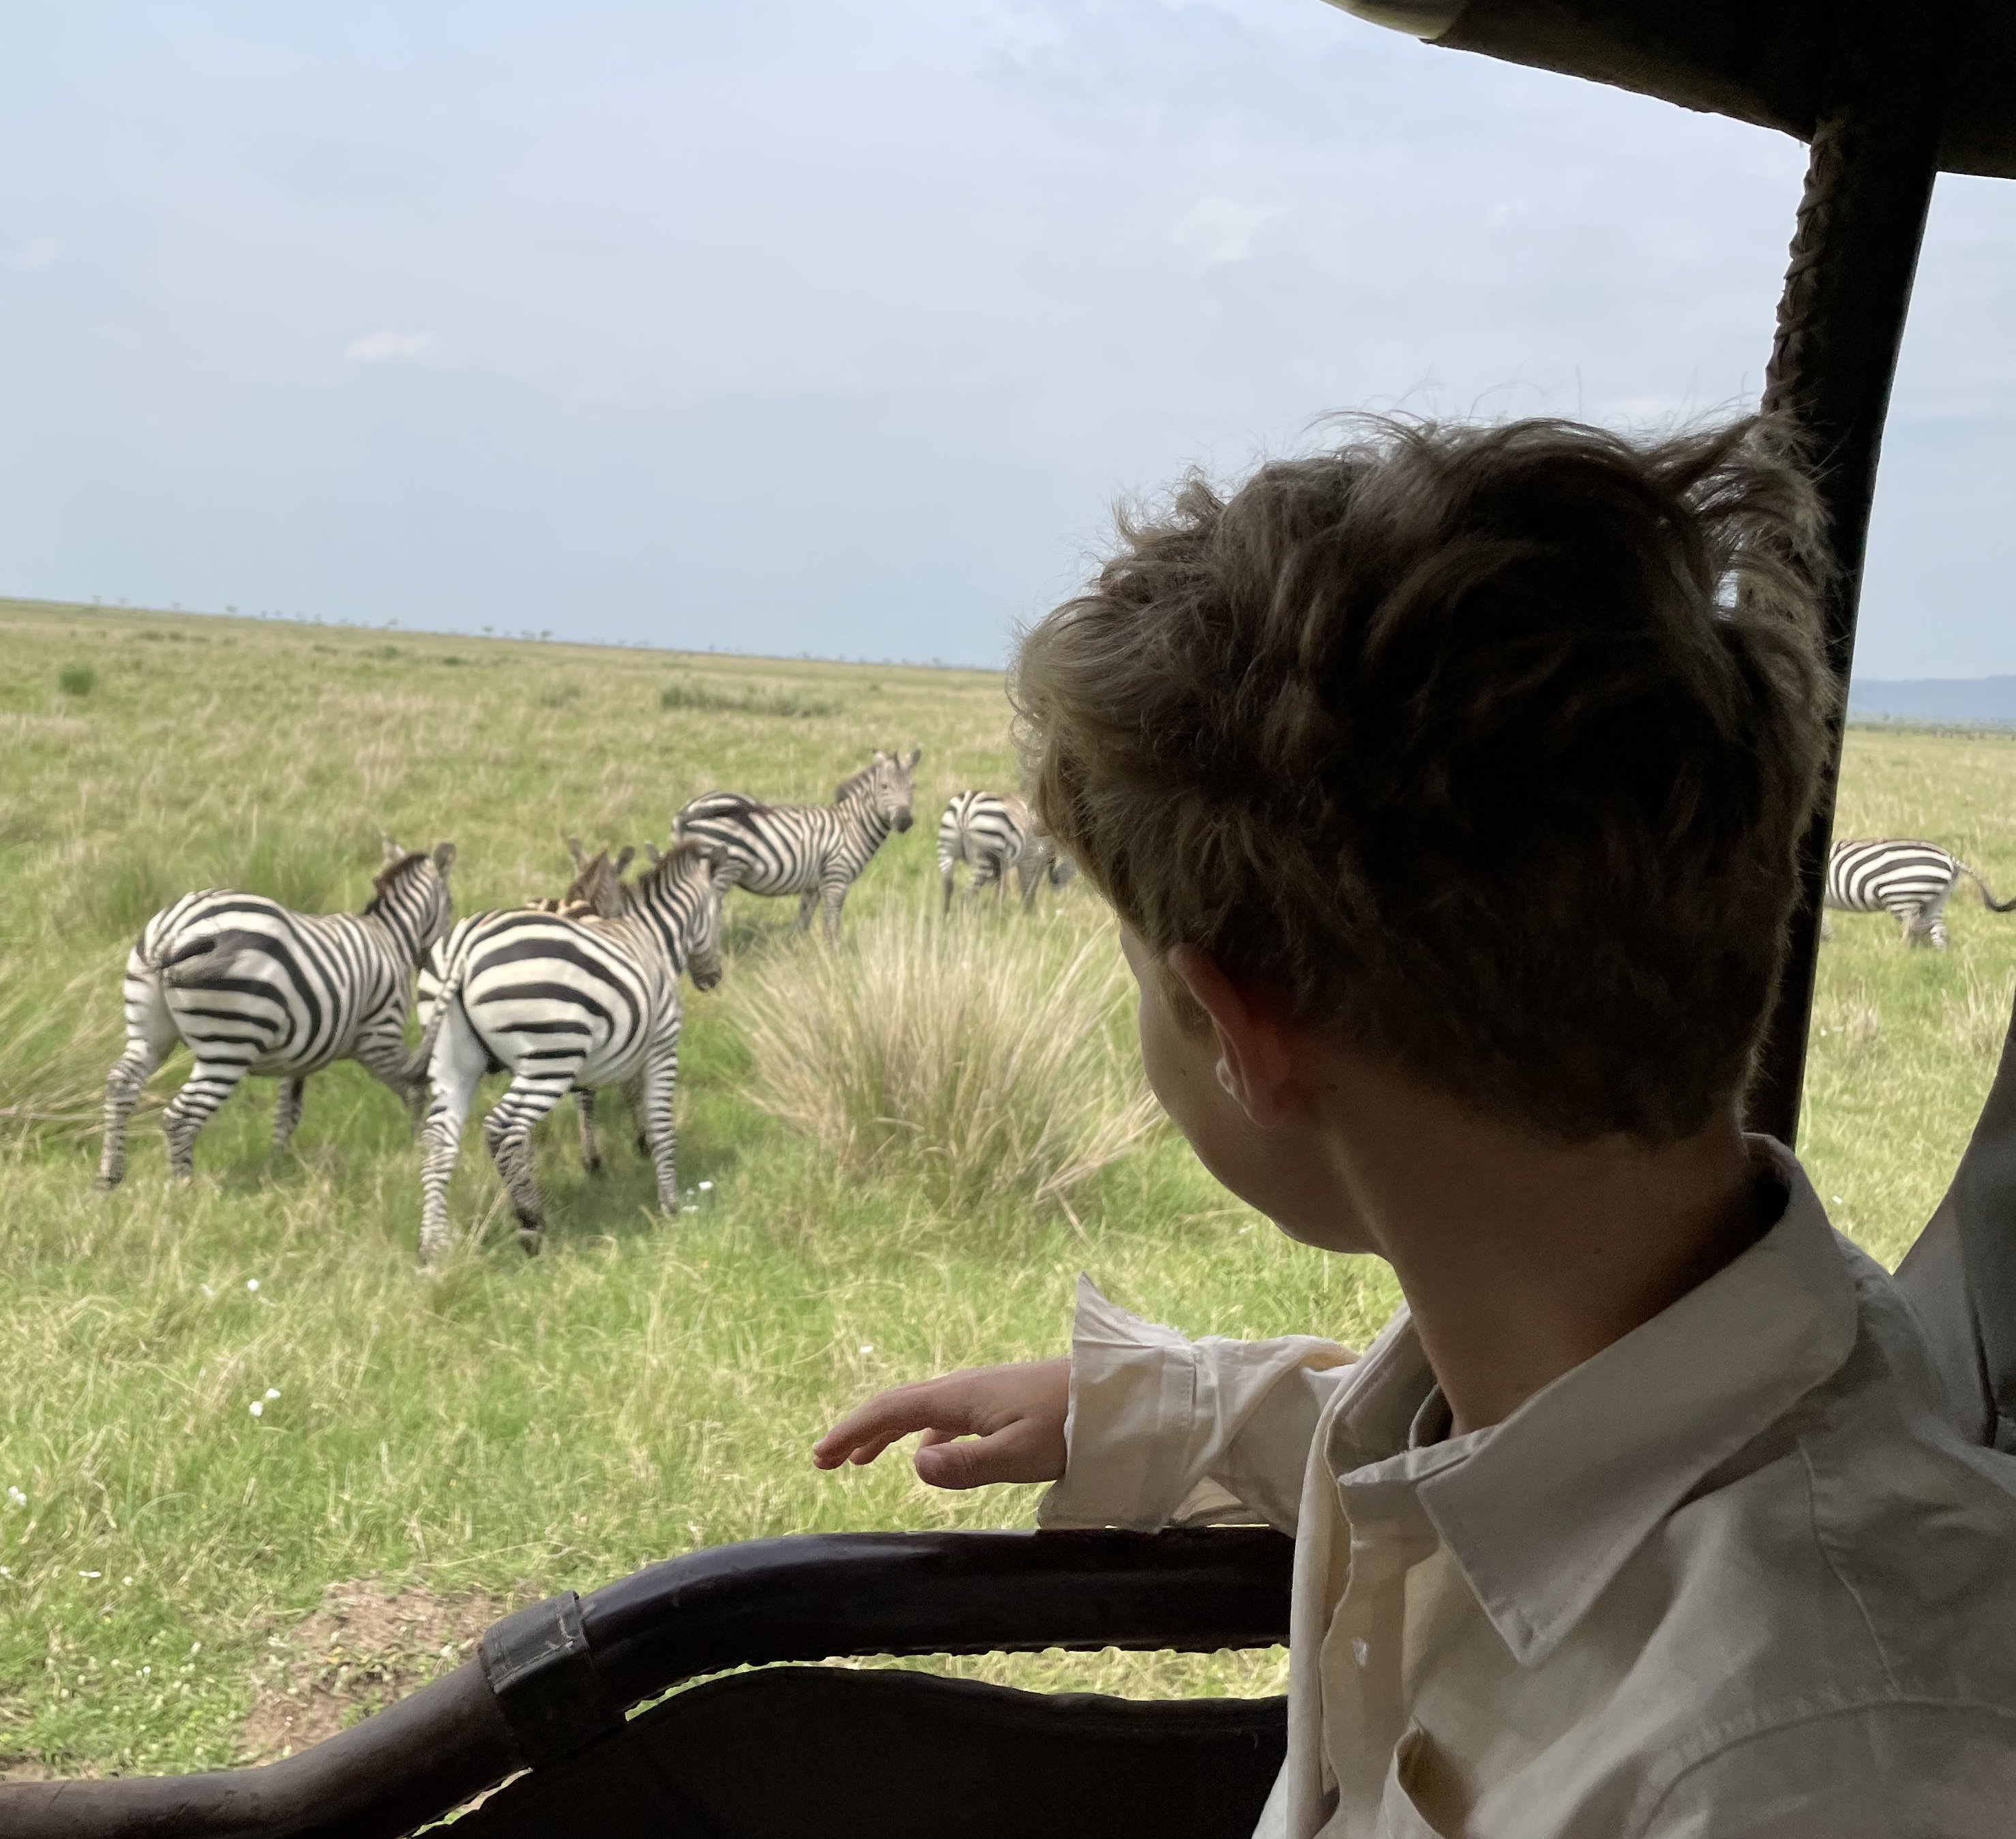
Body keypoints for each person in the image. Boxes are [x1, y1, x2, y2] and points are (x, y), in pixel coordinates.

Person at [812, 418, 2016, 1836]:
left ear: (1235, 1024)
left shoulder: (1819, 1765)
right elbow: (1535, 1457)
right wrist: (1154, 1407)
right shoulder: (1641, 1359)